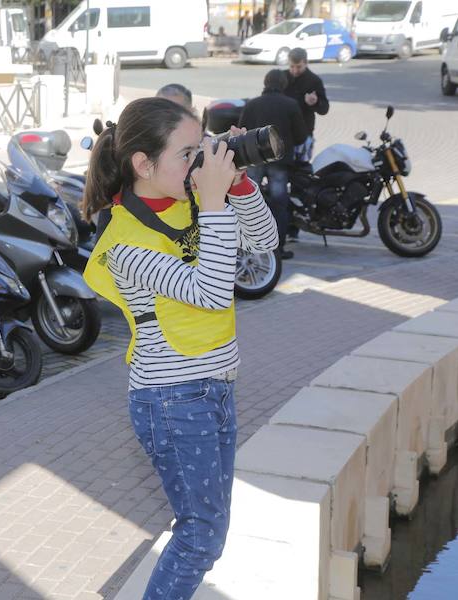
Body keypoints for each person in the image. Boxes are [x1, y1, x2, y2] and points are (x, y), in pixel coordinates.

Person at [82, 97, 278, 600]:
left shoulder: (190, 198)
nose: (200, 161)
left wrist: (235, 185)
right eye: (188, 153)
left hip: (215, 388)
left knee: (208, 533)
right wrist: (214, 203)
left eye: (202, 147)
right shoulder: (123, 242)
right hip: (172, 399)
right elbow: (211, 292)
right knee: (200, 536)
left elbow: (264, 243)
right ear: (142, 165)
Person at [239, 69, 307, 260]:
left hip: (254, 160)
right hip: (279, 161)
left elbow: (242, 130)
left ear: (265, 82)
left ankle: (248, 245)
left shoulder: (252, 104)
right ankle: (278, 249)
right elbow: (301, 136)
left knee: (249, 203)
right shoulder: (291, 105)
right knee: (279, 205)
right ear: (284, 84)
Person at [284, 47, 329, 163]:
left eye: (298, 67)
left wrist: (315, 102)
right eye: (291, 67)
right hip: (284, 133)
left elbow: (324, 109)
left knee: (301, 173)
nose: (294, 70)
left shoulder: (314, 80)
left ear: (306, 63)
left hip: (304, 134)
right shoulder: (282, 77)